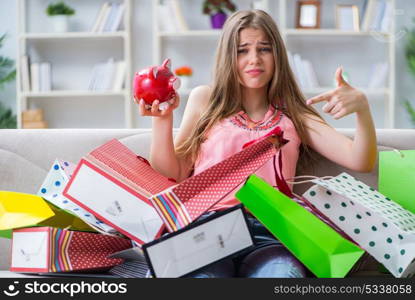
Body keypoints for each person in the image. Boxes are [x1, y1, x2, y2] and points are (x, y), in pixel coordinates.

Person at [137, 9, 377, 278]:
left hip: (271, 233)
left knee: (282, 274)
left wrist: (362, 108)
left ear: (277, 56)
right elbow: (174, 172)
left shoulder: (294, 114)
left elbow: (360, 160)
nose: (254, 59)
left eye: (264, 49)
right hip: (206, 230)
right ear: (229, 56)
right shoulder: (205, 100)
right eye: (242, 50)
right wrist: (162, 119)